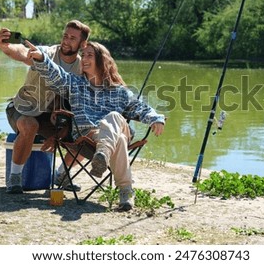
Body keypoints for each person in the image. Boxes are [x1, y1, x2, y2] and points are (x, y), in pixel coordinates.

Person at [27, 41, 165, 211]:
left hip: (108, 136)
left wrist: (155, 118)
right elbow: (56, 75)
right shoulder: (75, 84)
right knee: (120, 139)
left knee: (114, 116)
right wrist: (41, 59)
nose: (84, 58)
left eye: (89, 55)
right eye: (83, 55)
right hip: (89, 137)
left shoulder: (119, 92)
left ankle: (103, 153)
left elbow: (140, 107)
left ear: (102, 60)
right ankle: (126, 193)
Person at [0, 20, 91, 194]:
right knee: (30, 125)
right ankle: (15, 178)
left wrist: (61, 131)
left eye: (72, 38)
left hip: (53, 117)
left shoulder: (82, 67)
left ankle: (61, 175)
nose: (66, 41)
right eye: (65, 36)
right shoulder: (45, 53)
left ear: (82, 44)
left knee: (87, 137)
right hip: (22, 109)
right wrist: (6, 47)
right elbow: (23, 52)